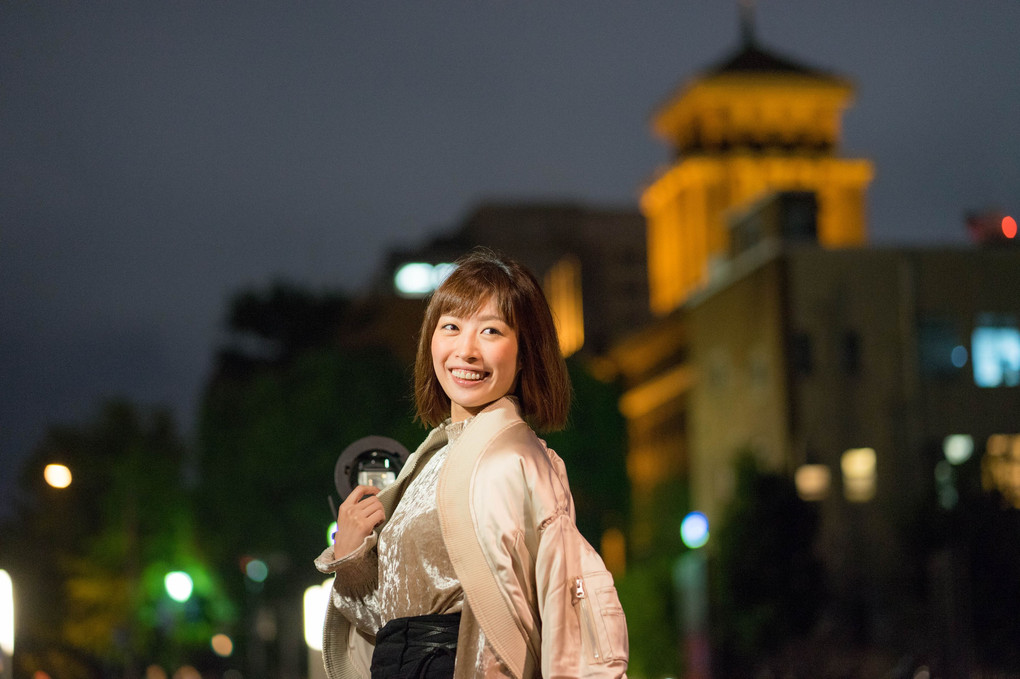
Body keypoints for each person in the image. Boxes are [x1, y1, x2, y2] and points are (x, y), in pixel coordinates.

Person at [315, 248, 629, 679]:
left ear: (526, 351)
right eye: (451, 327)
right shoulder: (425, 466)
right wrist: (350, 557)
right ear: (431, 339)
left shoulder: (523, 459)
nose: (466, 350)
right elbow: (388, 623)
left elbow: (567, 602)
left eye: (491, 331)